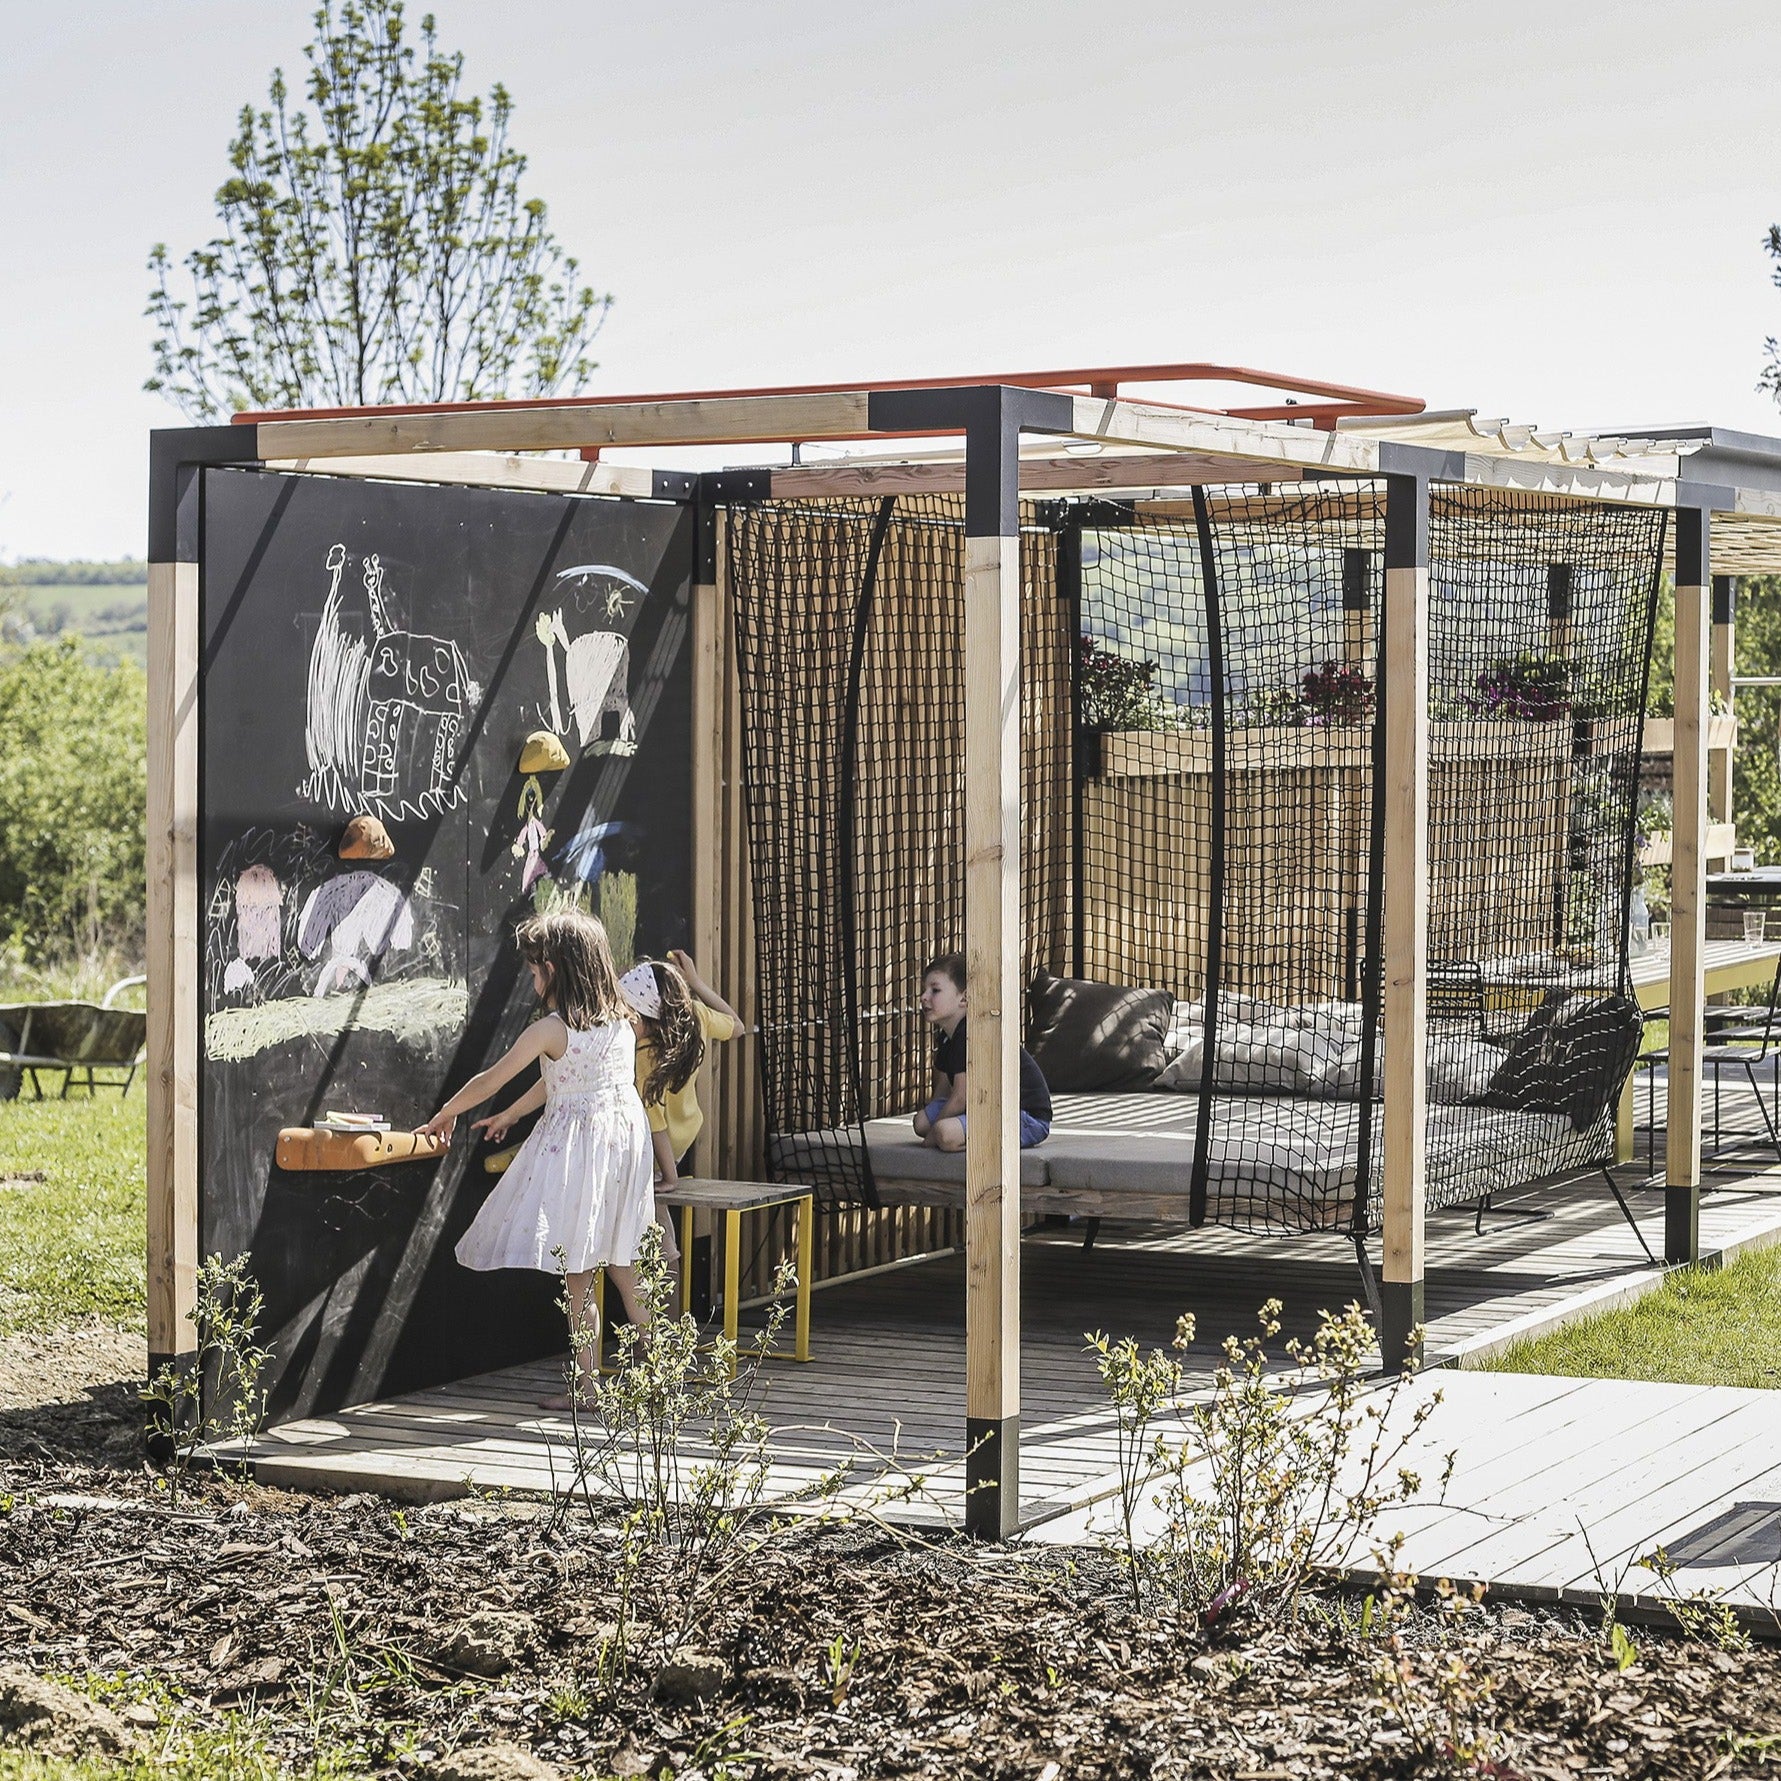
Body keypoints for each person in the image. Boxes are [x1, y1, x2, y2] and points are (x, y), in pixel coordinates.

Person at [417, 908, 654, 1410]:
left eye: (533, 970)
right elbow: (565, 1081)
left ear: (554, 969)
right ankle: (661, 1375)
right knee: (624, 1263)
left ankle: (588, 1390)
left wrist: (446, 1112)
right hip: (623, 1147)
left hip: (583, 1152)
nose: (531, 980)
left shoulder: (551, 1029)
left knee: (578, 1271)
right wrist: (512, 1114)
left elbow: (491, 1079)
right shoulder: (622, 1023)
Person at [912, 951, 1052, 1152]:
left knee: (944, 1133)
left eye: (935, 990)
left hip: (1023, 1115)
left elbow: (961, 1098)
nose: (924, 997)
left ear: (964, 998)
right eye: (924, 990)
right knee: (921, 1122)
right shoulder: (946, 1036)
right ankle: (965, 1133)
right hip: (984, 1107)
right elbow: (943, 1090)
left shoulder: (970, 1034)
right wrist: (931, 1126)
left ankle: (982, 1148)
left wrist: (934, 1134)